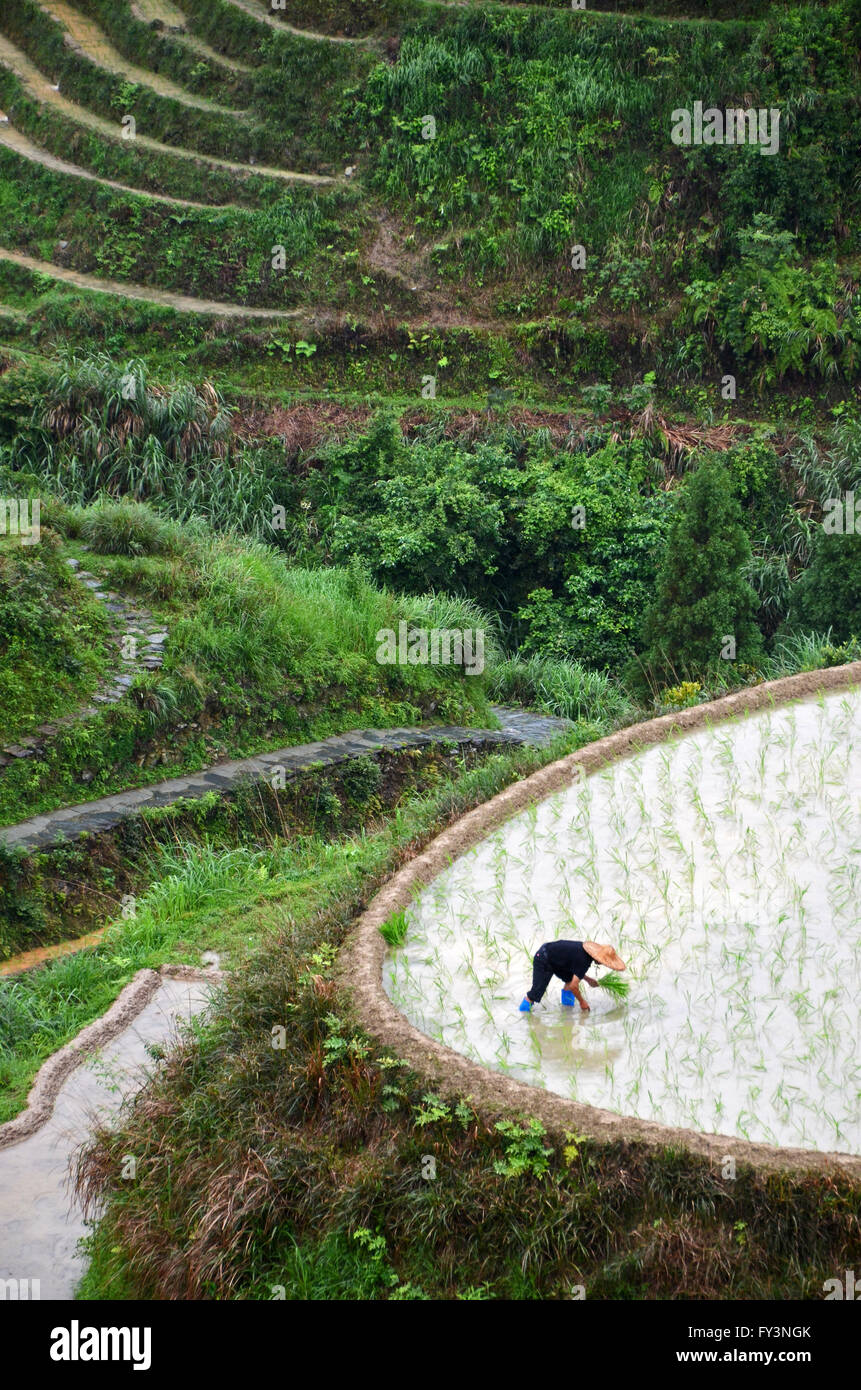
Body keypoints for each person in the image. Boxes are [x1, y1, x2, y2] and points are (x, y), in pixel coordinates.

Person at [519, 939, 626, 1012]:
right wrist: (582, 1002)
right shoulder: (584, 960)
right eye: (603, 961)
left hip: (554, 958)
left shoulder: (585, 954)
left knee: (570, 980)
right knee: (535, 993)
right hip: (543, 958)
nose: (602, 963)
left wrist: (588, 980)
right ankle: (523, 1017)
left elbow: (576, 969)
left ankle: (567, 1010)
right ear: (598, 958)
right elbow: (574, 986)